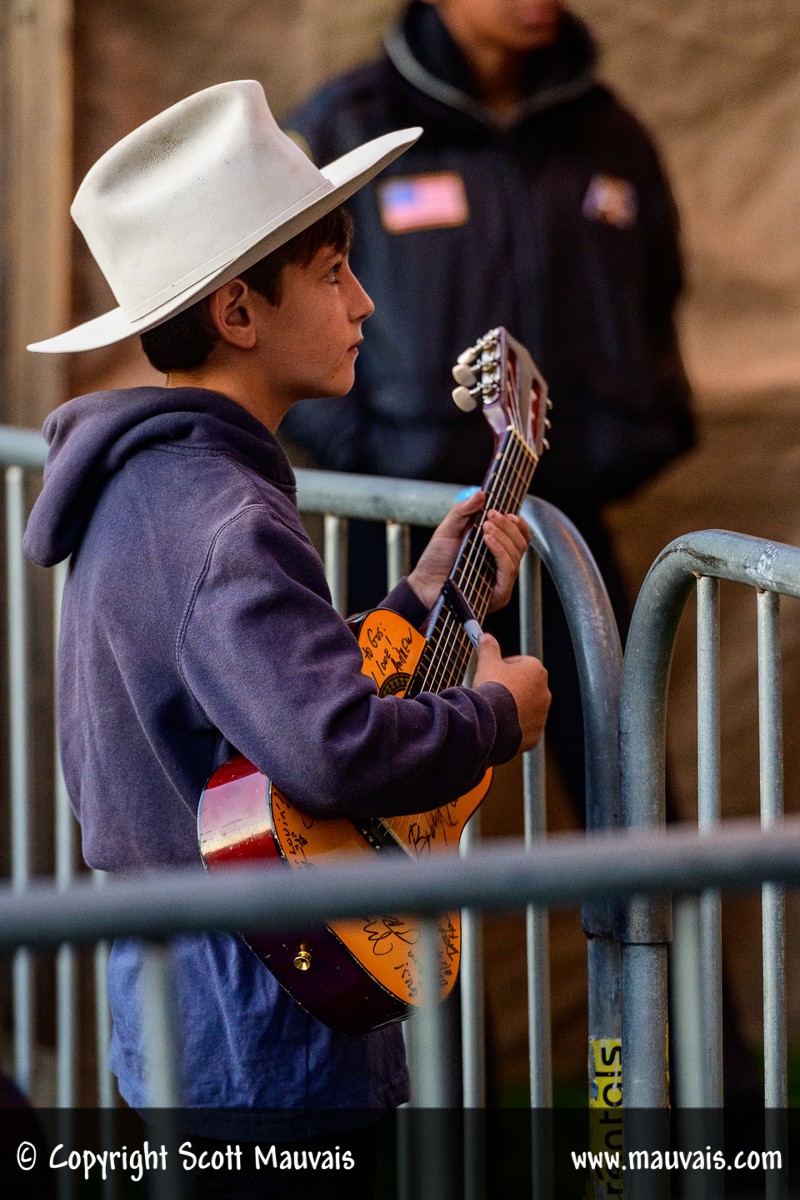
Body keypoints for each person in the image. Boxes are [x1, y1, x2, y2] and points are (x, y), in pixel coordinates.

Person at [22, 80, 550, 1198]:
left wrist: (415, 601)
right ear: (237, 312)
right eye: (331, 273)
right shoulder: (229, 520)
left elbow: (249, 702)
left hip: (174, 969)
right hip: (266, 996)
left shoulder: (153, 487)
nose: (363, 303)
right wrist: (496, 713)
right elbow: (330, 750)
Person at [281, 0, 695, 809]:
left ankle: (655, 943)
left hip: (563, 522)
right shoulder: (346, 128)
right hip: (396, 529)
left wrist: (631, 429)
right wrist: (373, 448)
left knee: (633, 795)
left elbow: (658, 296)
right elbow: (277, 316)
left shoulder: (611, 133)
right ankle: (368, 944)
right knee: (373, 786)